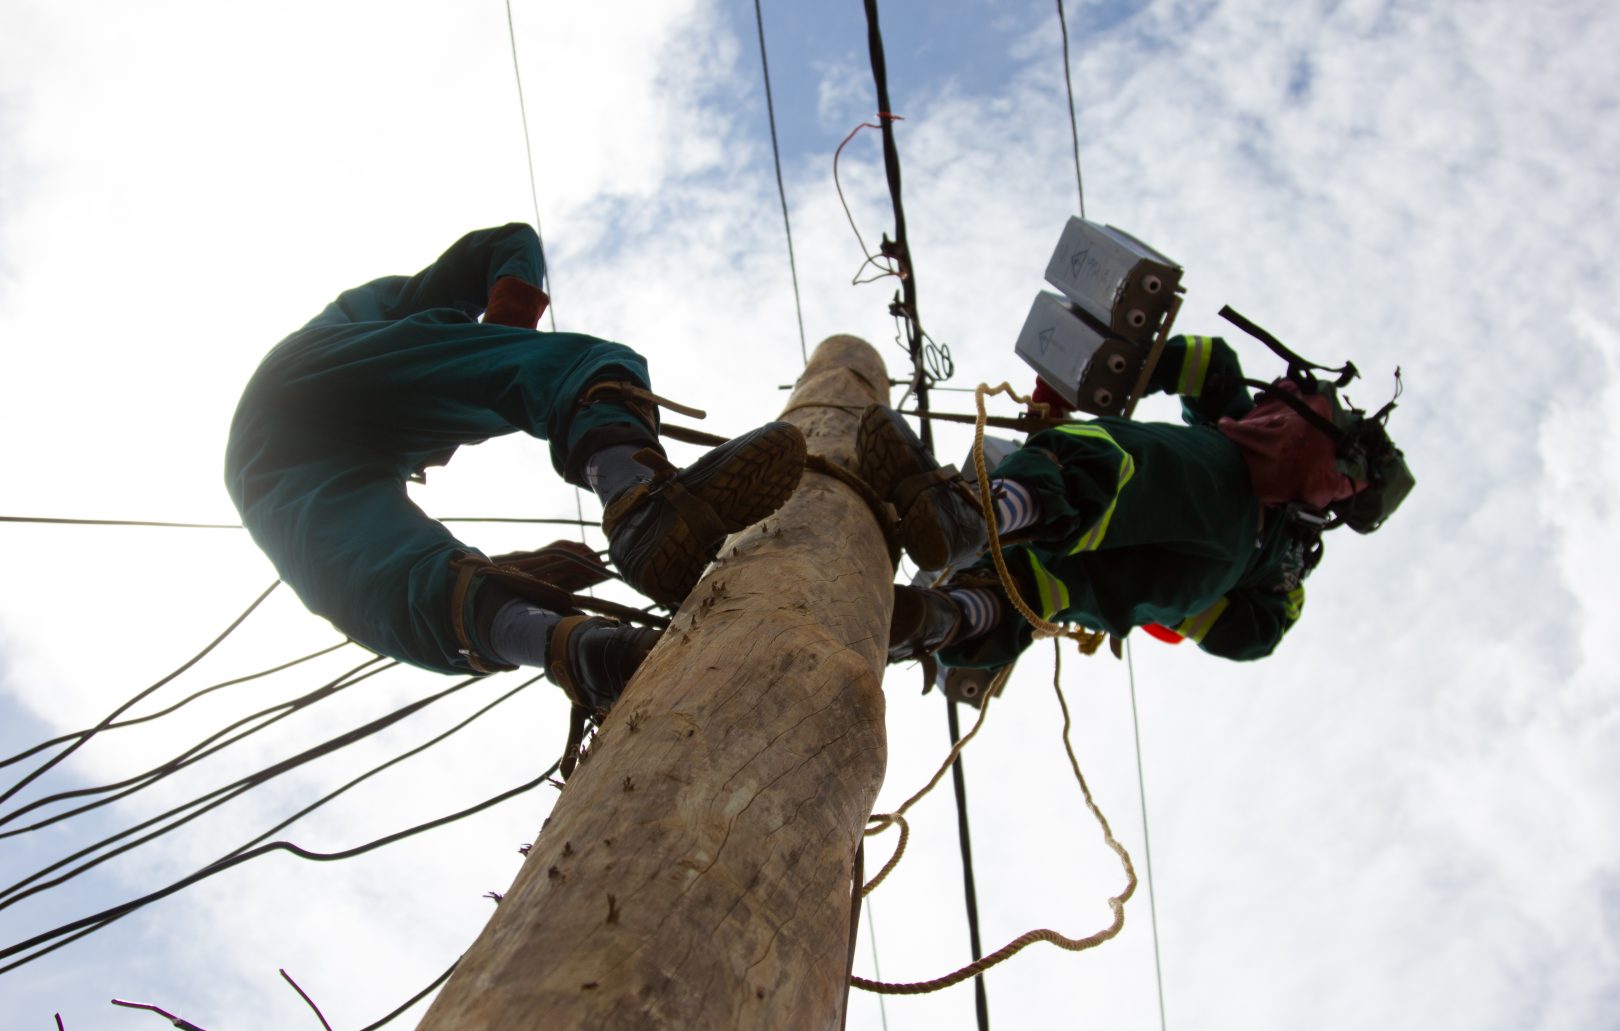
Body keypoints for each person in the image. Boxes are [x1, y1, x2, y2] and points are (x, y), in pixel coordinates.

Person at [225, 223, 805, 712]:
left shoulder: (376, 376)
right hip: (308, 387)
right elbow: (510, 246)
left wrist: (516, 576)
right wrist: (507, 333)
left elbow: (508, 243)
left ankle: (575, 650)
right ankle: (635, 501)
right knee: (582, 366)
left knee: (389, 587)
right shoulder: (389, 320)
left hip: (259, 470)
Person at [863, 333, 1412, 669]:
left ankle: (977, 513)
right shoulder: (1292, 566)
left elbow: (1208, 362)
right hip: (1188, 583)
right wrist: (1190, 612)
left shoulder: (1239, 442)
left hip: (1209, 500)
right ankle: (945, 620)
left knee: (1122, 463)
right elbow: (1256, 638)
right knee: (1053, 587)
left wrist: (1094, 383)